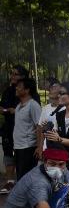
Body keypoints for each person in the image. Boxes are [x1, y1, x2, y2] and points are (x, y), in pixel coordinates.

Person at [0, 65, 29, 193]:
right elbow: (3, 108)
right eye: (11, 73)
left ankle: (24, 184)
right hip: (8, 128)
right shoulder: (7, 91)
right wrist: (7, 110)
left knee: (22, 156)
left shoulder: (29, 92)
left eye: (15, 74)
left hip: (23, 131)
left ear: (23, 77)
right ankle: (9, 183)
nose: (12, 76)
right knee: (8, 155)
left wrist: (14, 111)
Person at [14, 78, 42, 180]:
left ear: (27, 90)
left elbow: (39, 126)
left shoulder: (33, 105)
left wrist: (39, 147)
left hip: (28, 147)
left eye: (19, 86)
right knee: (20, 177)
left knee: (27, 179)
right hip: (18, 147)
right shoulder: (18, 106)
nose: (16, 88)